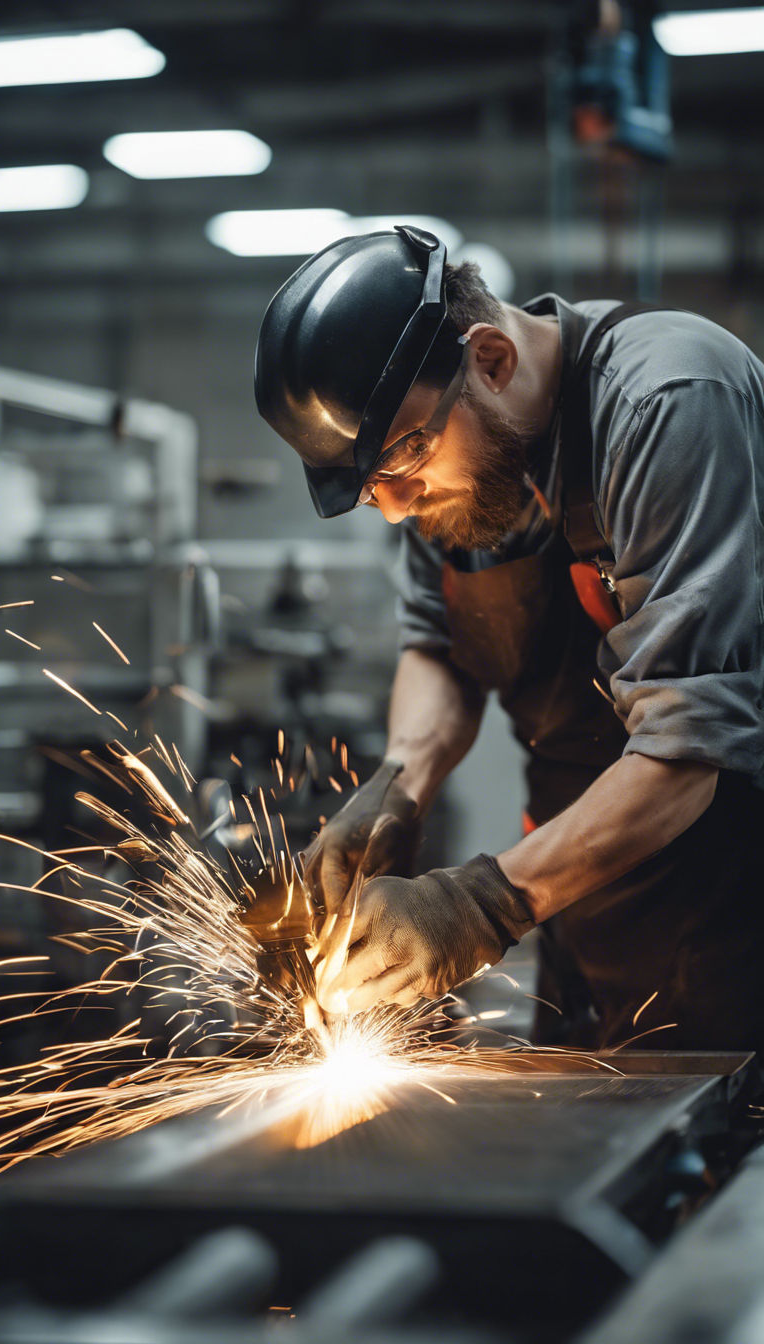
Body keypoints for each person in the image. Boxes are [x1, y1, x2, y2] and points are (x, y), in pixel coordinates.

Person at [254, 224, 764, 1049]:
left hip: (737, 907)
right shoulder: (449, 461)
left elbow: (688, 751)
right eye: (370, 486)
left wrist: (478, 905)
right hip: (584, 911)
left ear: (489, 360)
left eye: (403, 461)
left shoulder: (667, 401)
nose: (392, 506)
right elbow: (439, 647)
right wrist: (399, 782)